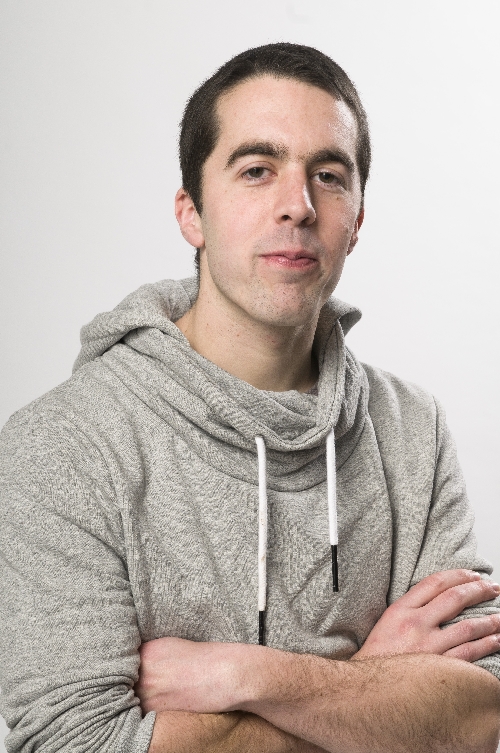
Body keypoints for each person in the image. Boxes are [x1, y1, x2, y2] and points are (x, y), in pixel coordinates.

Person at [0, 42, 499, 753]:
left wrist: (245, 675)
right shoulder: (62, 446)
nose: (297, 206)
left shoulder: (411, 429)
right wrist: (376, 691)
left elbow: (480, 715)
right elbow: (74, 743)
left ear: (358, 218)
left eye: (329, 176)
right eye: (257, 170)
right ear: (192, 213)